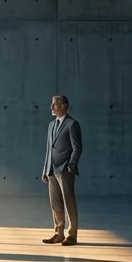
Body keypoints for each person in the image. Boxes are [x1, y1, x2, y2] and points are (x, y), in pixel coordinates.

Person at [41, 95, 81, 246]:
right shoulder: (51, 125)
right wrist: (45, 168)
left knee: (69, 202)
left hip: (65, 169)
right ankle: (58, 233)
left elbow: (77, 148)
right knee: (55, 204)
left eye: (54, 105)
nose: (51, 107)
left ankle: (72, 235)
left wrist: (71, 165)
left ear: (63, 106)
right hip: (51, 169)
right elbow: (49, 149)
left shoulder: (72, 124)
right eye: (52, 105)